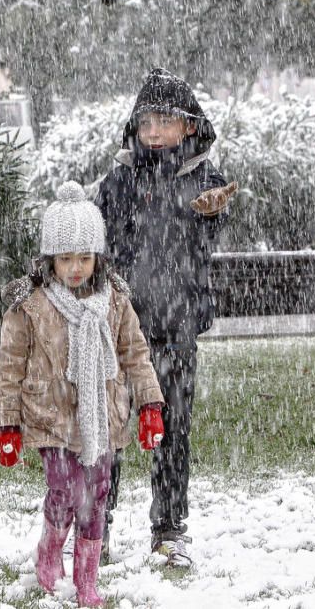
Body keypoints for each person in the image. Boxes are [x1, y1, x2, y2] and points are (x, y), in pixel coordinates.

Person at [0, 181, 165, 607]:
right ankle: (50, 548)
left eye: (84, 258)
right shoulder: (29, 304)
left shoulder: (115, 301)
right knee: (66, 490)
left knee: (97, 493)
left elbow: (135, 354)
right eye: (65, 258)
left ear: (98, 257)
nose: (75, 268)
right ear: (50, 258)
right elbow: (8, 365)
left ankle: (87, 579)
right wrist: (5, 423)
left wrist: (150, 405)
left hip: (100, 418)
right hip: (51, 418)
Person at [95, 68, 237, 567]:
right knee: (107, 430)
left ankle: (169, 529)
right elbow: (95, 240)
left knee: (171, 430)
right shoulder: (118, 181)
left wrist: (213, 212)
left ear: (191, 127)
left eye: (166, 121)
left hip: (176, 328)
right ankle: (95, 526)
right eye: (146, 122)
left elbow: (210, 233)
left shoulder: (205, 180)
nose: (154, 131)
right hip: (119, 330)